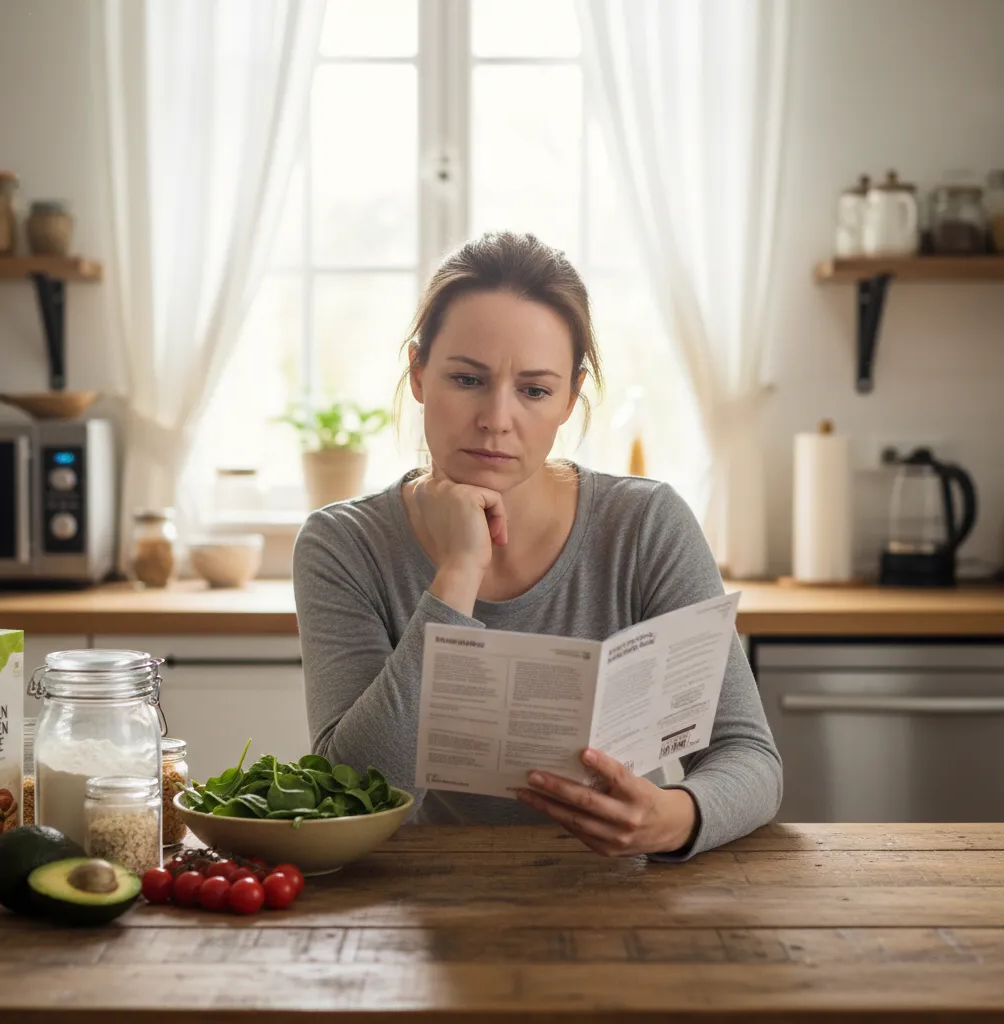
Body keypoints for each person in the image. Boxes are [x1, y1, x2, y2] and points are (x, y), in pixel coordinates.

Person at [293, 231, 782, 861]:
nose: (497, 418)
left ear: (571, 398)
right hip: (424, 893)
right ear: (418, 374)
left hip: (619, 889)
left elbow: (749, 757)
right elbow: (352, 793)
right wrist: (458, 572)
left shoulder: (645, 526)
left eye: (534, 390)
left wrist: (674, 817)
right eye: (467, 378)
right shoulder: (343, 545)